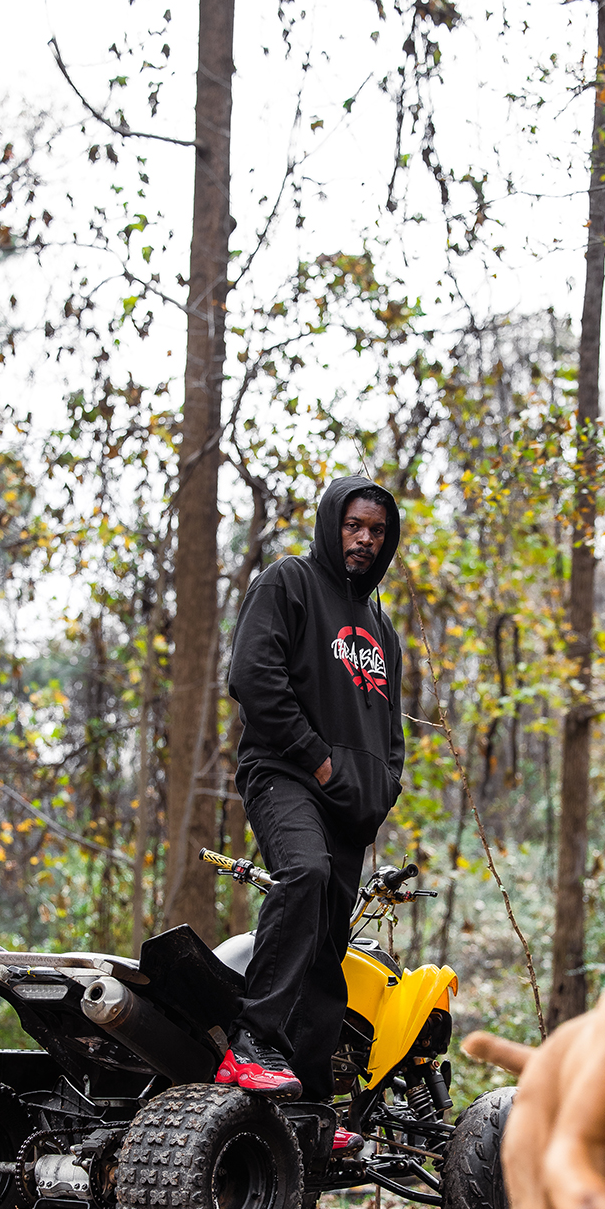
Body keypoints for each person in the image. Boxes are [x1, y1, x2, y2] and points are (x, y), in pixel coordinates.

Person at [219, 476, 404, 1149]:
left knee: (329, 949)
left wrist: (380, 790)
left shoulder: (382, 628)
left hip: (351, 808)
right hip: (283, 774)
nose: (363, 540)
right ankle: (250, 1043)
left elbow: (390, 731)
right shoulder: (288, 583)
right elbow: (252, 677)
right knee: (304, 874)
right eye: (354, 525)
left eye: (376, 531)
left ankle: (314, 1112)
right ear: (334, 523)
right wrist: (319, 760)